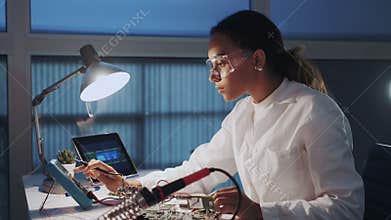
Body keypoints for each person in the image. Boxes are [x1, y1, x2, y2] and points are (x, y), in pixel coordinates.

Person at [75, 10, 364, 219]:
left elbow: (347, 208)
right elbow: (196, 173)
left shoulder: (314, 111)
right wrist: (128, 186)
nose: (213, 76)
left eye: (221, 62)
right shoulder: (243, 113)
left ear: (258, 59)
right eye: (210, 64)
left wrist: (264, 213)